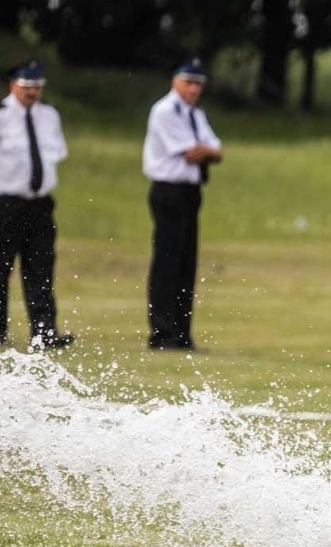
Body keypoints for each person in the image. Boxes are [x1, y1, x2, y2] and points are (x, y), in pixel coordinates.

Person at [0, 60, 71, 349]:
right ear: (13, 85)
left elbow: (53, 156)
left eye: (37, 87)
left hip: (39, 203)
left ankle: (44, 331)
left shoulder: (49, 116)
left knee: (41, 266)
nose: (32, 93)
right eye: (26, 87)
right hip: (2, 202)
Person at [143, 59, 224, 351]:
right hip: (168, 190)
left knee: (186, 262)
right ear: (175, 82)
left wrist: (207, 151)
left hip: (191, 192)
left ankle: (182, 332)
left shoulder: (194, 114)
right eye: (188, 82)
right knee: (167, 260)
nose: (193, 89)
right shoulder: (165, 111)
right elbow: (191, 151)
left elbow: (216, 151)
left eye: (198, 83)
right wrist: (205, 150)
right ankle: (162, 332)